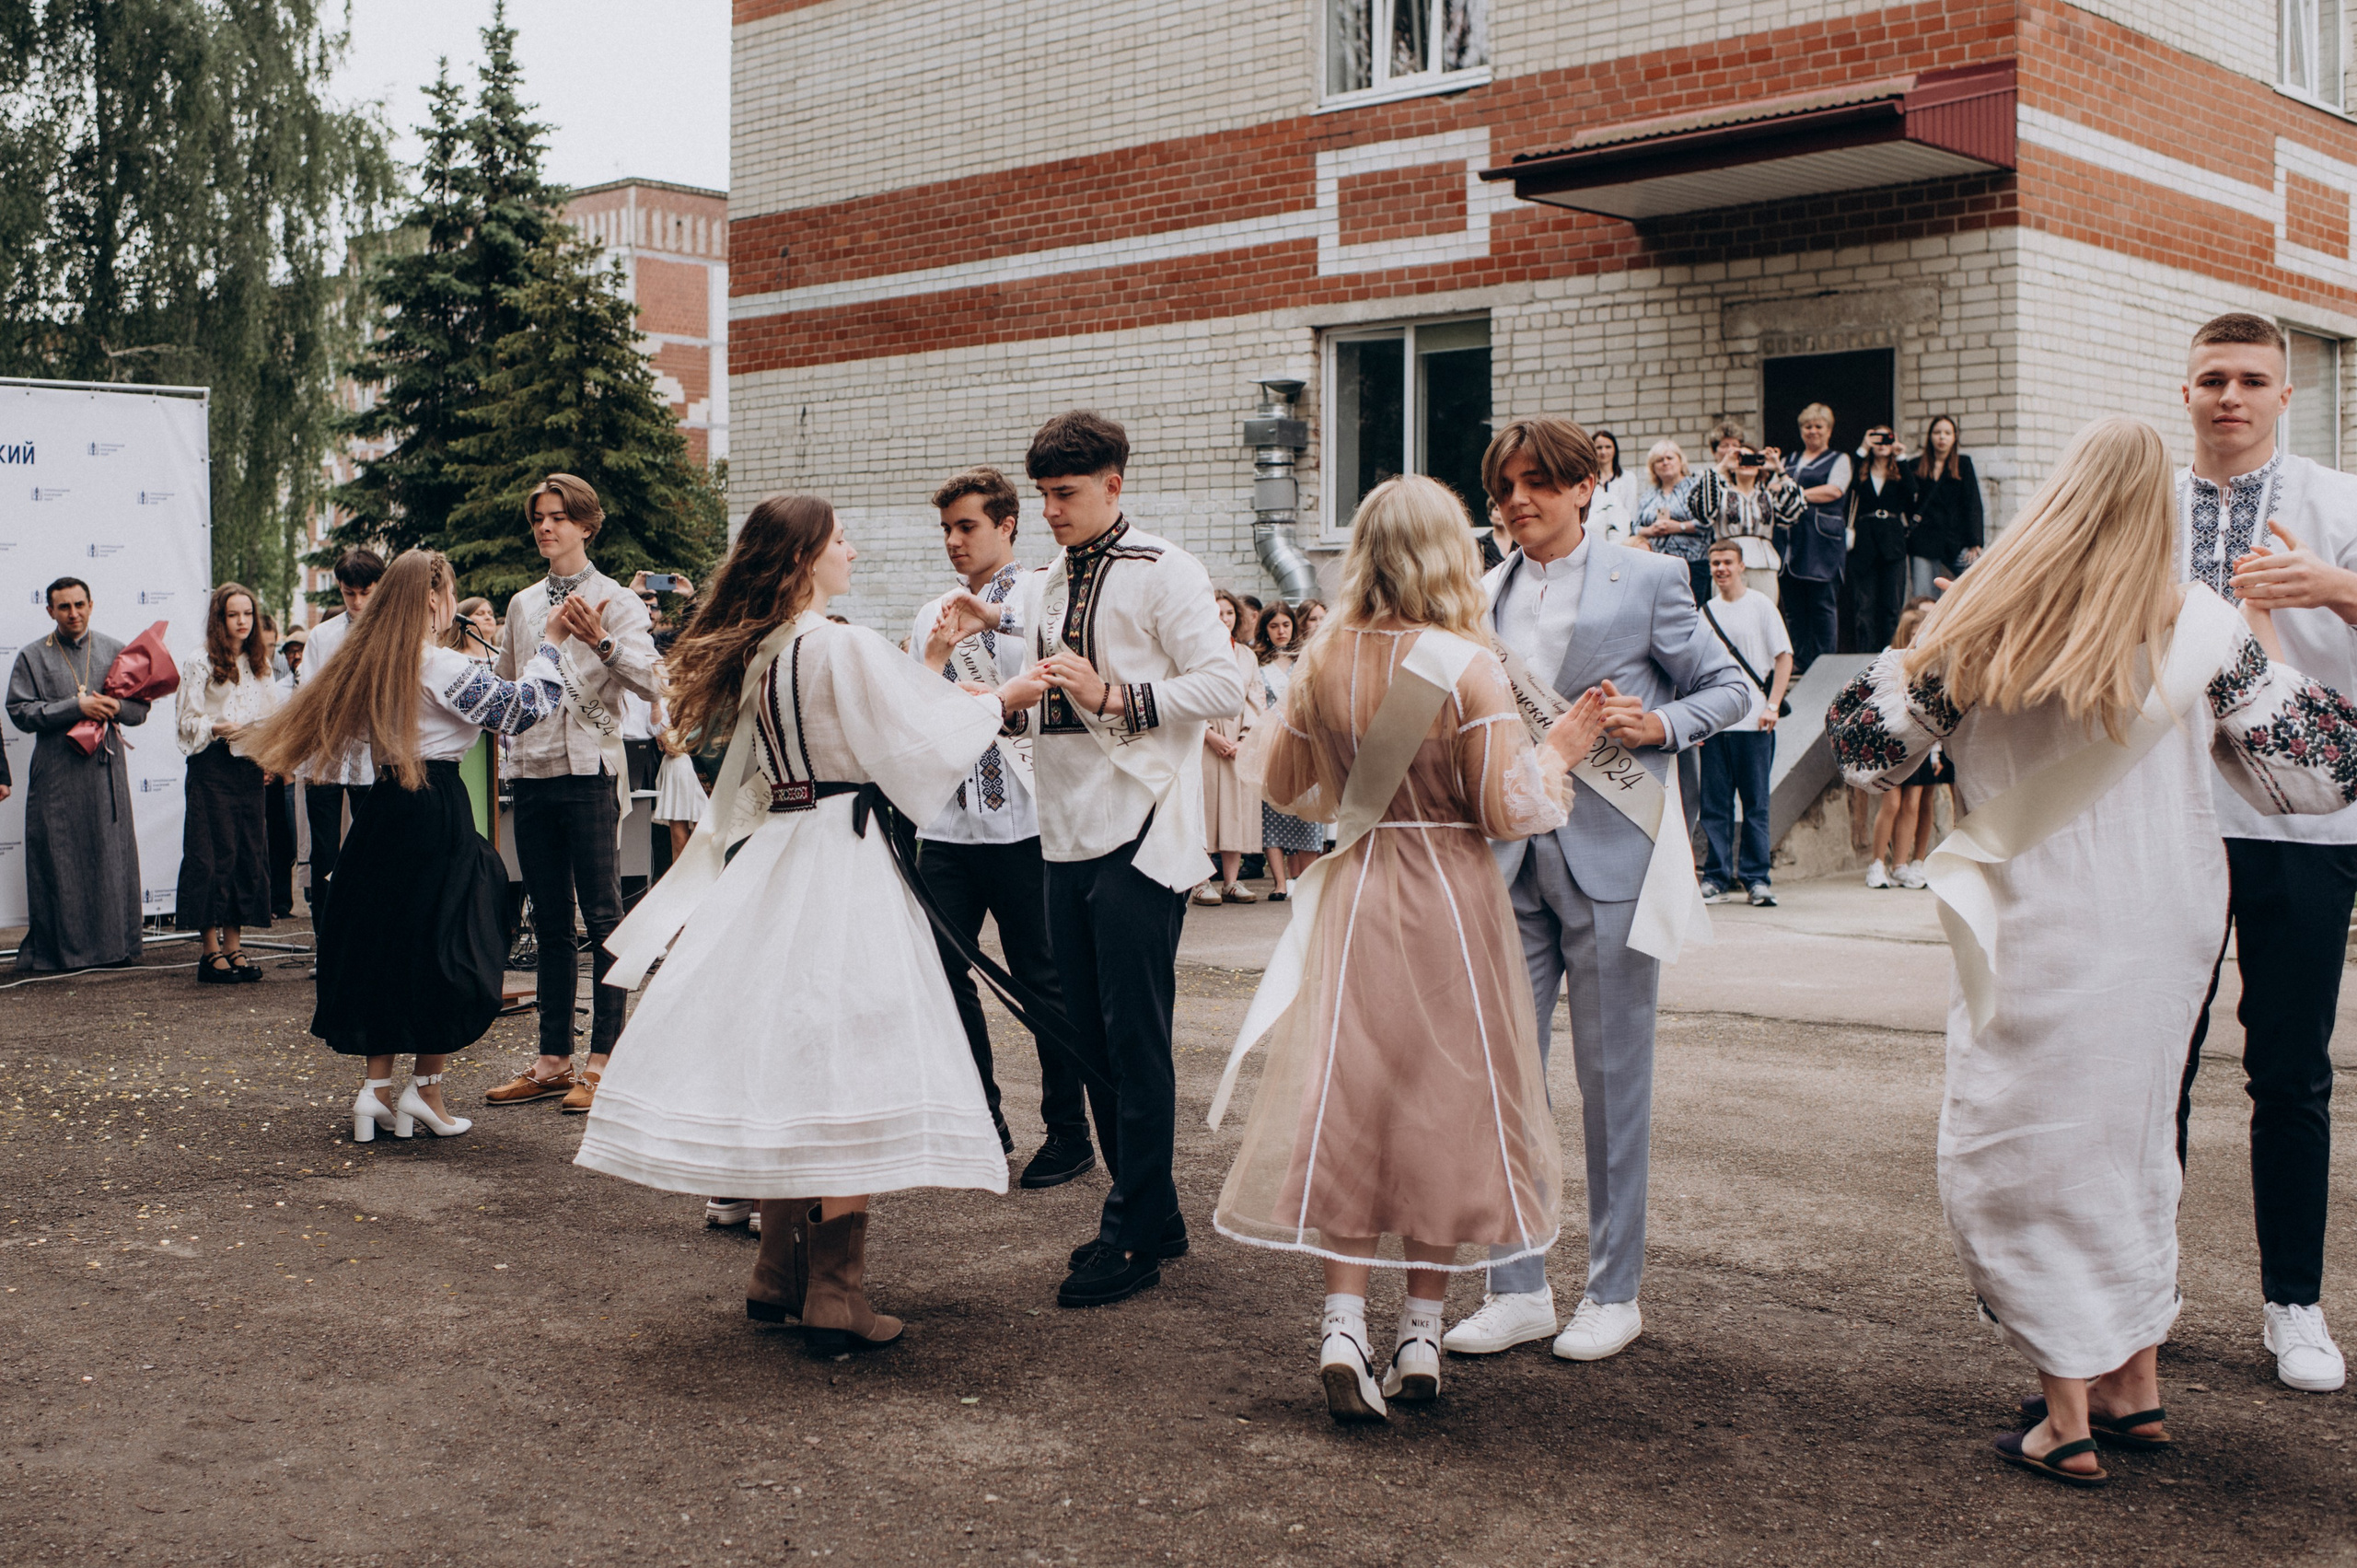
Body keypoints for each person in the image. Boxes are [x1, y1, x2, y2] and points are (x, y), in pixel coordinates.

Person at [1827, 413, 2357, 1484]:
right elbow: (2317, 775)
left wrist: (1908, 645)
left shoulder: (1976, 623)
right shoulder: (2199, 623)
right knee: (2130, 1144)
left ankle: (2063, 1409)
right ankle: (2134, 1386)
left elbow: (1865, 750)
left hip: (2026, 916)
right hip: (2164, 922)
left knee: (2017, 1146)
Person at [576, 494, 1040, 1355]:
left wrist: (934, 666)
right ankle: (836, 1287)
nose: (853, 552)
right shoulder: (838, 643)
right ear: (804, 560)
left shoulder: (767, 652)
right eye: (841, 541)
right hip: (842, 853)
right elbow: (907, 746)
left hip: (781, 847)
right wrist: (1001, 698)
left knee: (791, 1051)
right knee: (850, 1059)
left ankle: (775, 1271)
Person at [1211, 474, 1606, 1422]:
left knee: (1351, 1094)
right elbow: (1509, 807)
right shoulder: (1468, 668)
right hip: (1449, 899)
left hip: (1357, 888)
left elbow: (1288, 779)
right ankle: (1420, 1331)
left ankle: (1342, 1322)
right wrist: (1566, 748)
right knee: (1444, 1102)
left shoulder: (1323, 660)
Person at [1444, 416, 1749, 1363]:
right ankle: (1516, 1281)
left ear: (1586, 485)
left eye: (1538, 482)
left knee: (1613, 1084)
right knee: (1502, 1078)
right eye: (1503, 489)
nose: (1518, 501)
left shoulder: (1652, 578)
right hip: (1506, 856)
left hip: (1613, 853)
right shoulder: (1475, 594)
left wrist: (1657, 727)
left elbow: (1729, 688)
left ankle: (1614, 1289)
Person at [984, 410, 1248, 1308]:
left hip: (1140, 824)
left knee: (1135, 1040)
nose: (1051, 510)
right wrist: (1005, 705)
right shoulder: (1048, 580)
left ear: (1112, 484)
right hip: (1058, 828)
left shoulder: (1165, 568)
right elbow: (1046, 705)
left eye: (1065, 493)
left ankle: (1133, 1228)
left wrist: (1119, 693)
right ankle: (1151, 1212)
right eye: (1043, 494)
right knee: (1087, 1040)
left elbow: (1224, 684)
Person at [2177, 311, 2357, 1393]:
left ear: (2286, 394)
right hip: (2166, 819)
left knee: (2288, 1071)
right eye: (2212, 378)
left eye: (2251, 379)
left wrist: (2331, 588)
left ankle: (2293, 1300)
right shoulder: (2142, 501)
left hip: (2303, 823)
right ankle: (2136, 1289)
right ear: (2185, 390)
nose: (2230, 395)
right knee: (2152, 1059)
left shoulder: (2336, 500)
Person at [250, 550, 567, 1146]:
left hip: (382, 810)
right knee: (450, 946)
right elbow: (524, 709)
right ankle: (426, 1088)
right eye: (449, 594)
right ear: (432, 599)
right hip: (434, 807)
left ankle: (375, 1092)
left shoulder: (372, 661)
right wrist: (550, 642)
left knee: (390, 947)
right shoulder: (437, 664)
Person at [906, 463, 1095, 1191]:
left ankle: (1069, 1130)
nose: (955, 540)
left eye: (968, 526)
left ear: (1007, 524)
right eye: (948, 529)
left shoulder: (1045, 594)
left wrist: (997, 689)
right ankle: (981, 1119)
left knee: (1044, 981)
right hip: (949, 829)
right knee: (942, 976)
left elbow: (1058, 679)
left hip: (1024, 822)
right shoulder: (931, 615)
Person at [482, 475, 661, 1117]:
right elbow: (505, 686)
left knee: (605, 917)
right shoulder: (522, 604)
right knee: (550, 921)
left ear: (587, 524)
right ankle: (553, 1058)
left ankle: (602, 1060)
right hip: (532, 774)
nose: (545, 527)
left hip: (590, 773)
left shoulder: (616, 599)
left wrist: (602, 642)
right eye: (537, 517)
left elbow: (651, 680)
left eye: (558, 517)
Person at [8, 576, 156, 971]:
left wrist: (113, 708)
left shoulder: (115, 649)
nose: (73, 613)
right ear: (50, 611)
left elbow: (140, 710)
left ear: (91, 604)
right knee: (58, 860)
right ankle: (60, 953)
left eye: (79, 604)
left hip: (104, 771)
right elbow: (21, 713)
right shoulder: (32, 656)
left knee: (109, 858)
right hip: (56, 776)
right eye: (63, 607)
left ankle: (114, 949)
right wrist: (76, 707)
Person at [174, 583, 282, 982]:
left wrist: (269, 756)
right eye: (233, 614)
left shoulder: (261, 662)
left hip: (248, 766)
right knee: (209, 853)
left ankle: (234, 946)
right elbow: (186, 722)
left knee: (246, 853)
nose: (242, 622)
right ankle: (209, 952)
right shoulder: (199, 661)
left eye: (248, 614)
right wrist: (216, 727)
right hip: (212, 765)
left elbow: (271, 717)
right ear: (219, 619)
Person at [1695, 540, 1793, 906]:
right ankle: (1717, 877)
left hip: (1755, 723)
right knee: (1715, 804)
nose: (1721, 569)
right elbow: (1696, 671)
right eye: (1715, 563)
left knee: (1756, 805)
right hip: (1717, 724)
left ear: (1741, 567)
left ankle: (1756, 879)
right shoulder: (1705, 612)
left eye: (1727, 563)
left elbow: (1784, 658)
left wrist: (1773, 704)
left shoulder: (1761, 606)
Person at [296, 549, 384, 934]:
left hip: (375, 758)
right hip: (326, 756)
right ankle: (326, 938)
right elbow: (309, 694)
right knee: (324, 853)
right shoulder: (322, 635)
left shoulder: (392, 631)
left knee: (370, 849)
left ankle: (366, 935)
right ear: (340, 588)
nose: (359, 602)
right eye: (351, 594)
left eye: (366, 592)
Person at [1863, 598, 1941, 891]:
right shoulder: (1890, 658)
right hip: (1891, 739)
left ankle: (1901, 866)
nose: (1918, 640)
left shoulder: (1934, 660)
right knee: (1892, 802)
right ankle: (1877, 863)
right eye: (1913, 636)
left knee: (1913, 803)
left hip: (1922, 741)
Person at [1193, 587, 1264, 908]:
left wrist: (1244, 738)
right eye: (1217, 612)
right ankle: (1201, 881)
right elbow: (1189, 696)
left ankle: (1232, 882)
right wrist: (1209, 735)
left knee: (1235, 810)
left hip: (1238, 740)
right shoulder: (1196, 652)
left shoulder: (1247, 656)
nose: (1223, 619)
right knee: (1204, 808)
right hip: (1205, 739)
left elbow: (1255, 697)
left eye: (1229, 613)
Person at [1251, 602, 1320, 897]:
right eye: (1274, 626)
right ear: (1265, 629)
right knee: (1272, 809)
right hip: (1271, 742)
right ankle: (1280, 882)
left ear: (1294, 626)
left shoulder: (1307, 658)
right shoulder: (1257, 662)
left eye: (1286, 625)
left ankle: (1306, 881)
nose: (1281, 631)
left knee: (1309, 811)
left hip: (1304, 742)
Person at [1690, 431, 1803, 605]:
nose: (1746, 463)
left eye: (1753, 459)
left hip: (1763, 562)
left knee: (1764, 612)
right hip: (1727, 561)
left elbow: (1794, 509)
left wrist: (1779, 469)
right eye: (1741, 459)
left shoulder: (1768, 496)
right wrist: (1722, 465)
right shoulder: (1721, 494)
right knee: (1726, 614)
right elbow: (1702, 511)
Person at [1782, 403, 1852, 673]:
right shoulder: (1789, 460)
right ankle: (1800, 659)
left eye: (1818, 426)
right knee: (1794, 606)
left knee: (1822, 603)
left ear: (1829, 430)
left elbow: (1834, 490)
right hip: (1791, 541)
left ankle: (1824, 662)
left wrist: (1795, 494)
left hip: (1821, 542)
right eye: (1807, 426)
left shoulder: (1839, 459)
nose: (1812, 431)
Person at [1847, 424, 1918, 654]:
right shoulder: (1861, 470)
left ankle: (1891, 655)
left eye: (1887, 438)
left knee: (1892, 605)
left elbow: (1912, 492)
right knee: (1864, 606)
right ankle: (1863, 657)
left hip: (1892, 543)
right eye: (1877, 438)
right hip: (1865, 542)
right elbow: (1851, 488)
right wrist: (1862, 448)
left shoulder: (1899, 472)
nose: (1882, 443)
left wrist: (1902, 456)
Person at [1909, 414, 1984, 599]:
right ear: (1930, 437)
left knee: (1981, 577)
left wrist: (1976, 541)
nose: (1942, 437)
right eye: (1937, 432)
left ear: (1954, 437)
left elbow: (1972, 502)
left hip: (1954, 540)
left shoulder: (1963, 464)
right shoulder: (1916, 465)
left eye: (1947, 433)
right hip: (1924, 541)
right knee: (1923, 597)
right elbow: (1906, 501)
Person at [1632, 438, 1707, 602]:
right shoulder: (1649, 495)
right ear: (1653, 468)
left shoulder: (1696, 489)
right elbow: (1635, 527)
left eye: (1669, 458)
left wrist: (1679, 527)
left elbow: (1707, 524)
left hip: (1692, 564)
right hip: (1658, 566)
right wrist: (1650, 531)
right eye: (1659, 460)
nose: (1665, 463)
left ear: (1681, 461)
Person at [261, 618, 300, 920]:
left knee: (284, 839)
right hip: (266, 765)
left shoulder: (284, 673)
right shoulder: (274, 681)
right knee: (268, 836)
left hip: (287, 770)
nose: (268, 651)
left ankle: (281, 902)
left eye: (272, 646)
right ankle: (264, 901)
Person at [1589, 429, 1637, 546]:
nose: (1603, 451)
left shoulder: (1628, 478)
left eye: (1608, 447)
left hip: (1623, 536)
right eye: (1599, 448)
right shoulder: (1588, 480)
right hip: (1595, 536)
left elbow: (1631, 510)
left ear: (1615, 449)